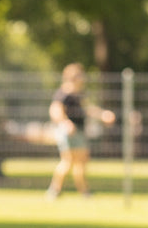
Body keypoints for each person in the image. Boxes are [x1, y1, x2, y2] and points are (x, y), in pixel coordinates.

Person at [46, 63, 115, 198]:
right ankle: (54, 190)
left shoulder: (79, 95)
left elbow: (87, 109)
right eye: (80, 76)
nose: (83, 79)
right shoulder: (63, 94)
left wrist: (103, 115)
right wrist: (65, 122)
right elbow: (55, 110)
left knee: (80, 162)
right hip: (70, 132)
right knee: (68, 161)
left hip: (79, 131)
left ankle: (83, 191)